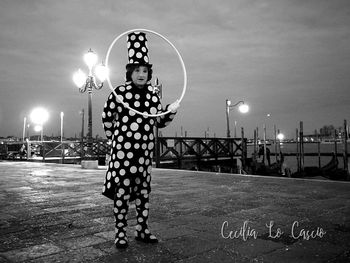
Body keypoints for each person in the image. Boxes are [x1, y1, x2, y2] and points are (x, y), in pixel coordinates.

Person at [101, 32, 179, 249]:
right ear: (130, 72)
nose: (141, 74)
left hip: (144, 155)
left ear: (149, 73)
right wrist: (114, 140)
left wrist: (170, 111)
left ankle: (142, 228)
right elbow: (107, 116)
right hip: (123, 155)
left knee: (144, 192)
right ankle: (120, 233)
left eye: (145, 70)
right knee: (123, 192)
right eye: (137, 70)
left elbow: (159, 121)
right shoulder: (119, 93)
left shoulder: (154, 96)